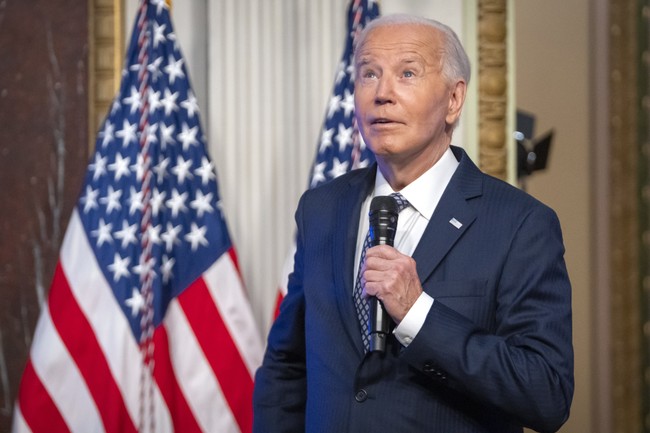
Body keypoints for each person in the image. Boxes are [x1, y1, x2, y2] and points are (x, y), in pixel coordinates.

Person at [253, 13, 574, 433]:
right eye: (369, 74)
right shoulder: (321, 208)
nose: (382, 93)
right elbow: (288, 365)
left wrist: (418, 314)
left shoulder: (520, 224)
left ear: (454, 100)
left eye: (407, 73)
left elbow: (546, 392)